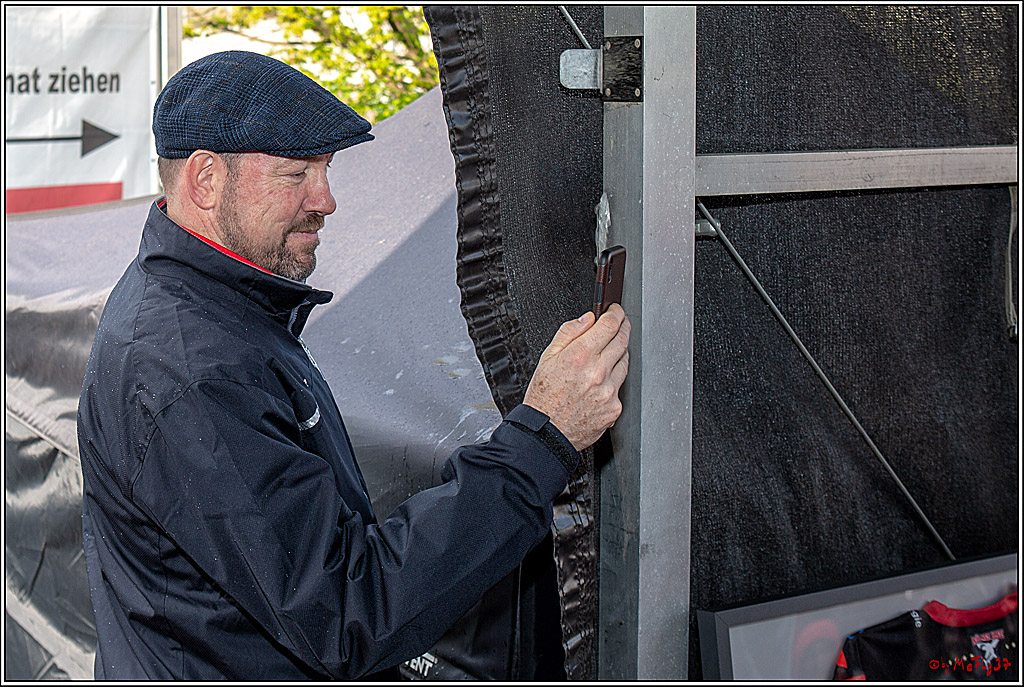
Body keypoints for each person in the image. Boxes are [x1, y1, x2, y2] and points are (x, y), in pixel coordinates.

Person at [77, 50, 630, 680]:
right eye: (297, 174)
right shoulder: (190, 367)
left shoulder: (221, 309)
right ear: (204, 180)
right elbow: (344, 615)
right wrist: (543, 438)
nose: (327, 200)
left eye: (326, 170)